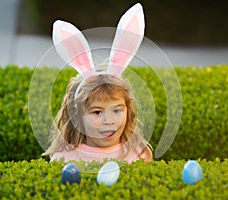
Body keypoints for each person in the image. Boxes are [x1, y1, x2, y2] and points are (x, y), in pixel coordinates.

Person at [43, 3, 153, 163]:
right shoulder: (64, 159)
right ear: (77, 116)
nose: (109, 121)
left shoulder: (138, 154)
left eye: (117, 110)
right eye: (97, 112)